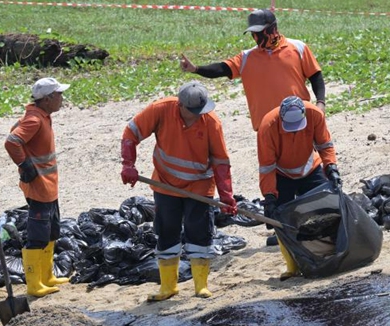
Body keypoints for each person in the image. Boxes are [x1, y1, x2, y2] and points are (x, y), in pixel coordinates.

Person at [120, 81, 237, 301]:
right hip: (166, 185)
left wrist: (226, 195)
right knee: (166, 233)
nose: (197, 115)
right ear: (180, 105)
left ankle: (201, 286)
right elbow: (131, 133)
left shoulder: (211, 122)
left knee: (200, 234)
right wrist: (128, 164)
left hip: (200, 187)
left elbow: (221, 162)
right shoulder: (160, 110)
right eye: (192, 111)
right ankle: (168, 287)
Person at [180, 8, 326, 132]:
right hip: (267, 126)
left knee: (307, 162)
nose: (256, 37)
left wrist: (320, 103)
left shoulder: (298, 48)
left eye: (259, 32)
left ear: (272, 29)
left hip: (298, 118)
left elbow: (315, 75)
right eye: (253, 33)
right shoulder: (246, 58)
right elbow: (221, 69)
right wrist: (196, 69)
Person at [257, 95, 340, 280]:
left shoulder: (315, 115)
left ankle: (328, 255)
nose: (293, 132)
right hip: (281, 173)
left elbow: (325, 145)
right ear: (281, 118)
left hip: (310, 167)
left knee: (325, 211)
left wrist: (331, 167)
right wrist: (269, 196)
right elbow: (267, 166)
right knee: (282, 220)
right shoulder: (267, 126)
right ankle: (292, 266)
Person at [4, 77, 71, 298]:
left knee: (52, 231)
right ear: (48, 98)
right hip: (39, 187)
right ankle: (34, 284)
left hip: (49, 187)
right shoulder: (34, 120)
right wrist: (24, 164)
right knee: (38, 236)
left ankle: (47, 276)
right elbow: (12, 141)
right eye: (59, 94)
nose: (62, 98)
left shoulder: (43, 115)